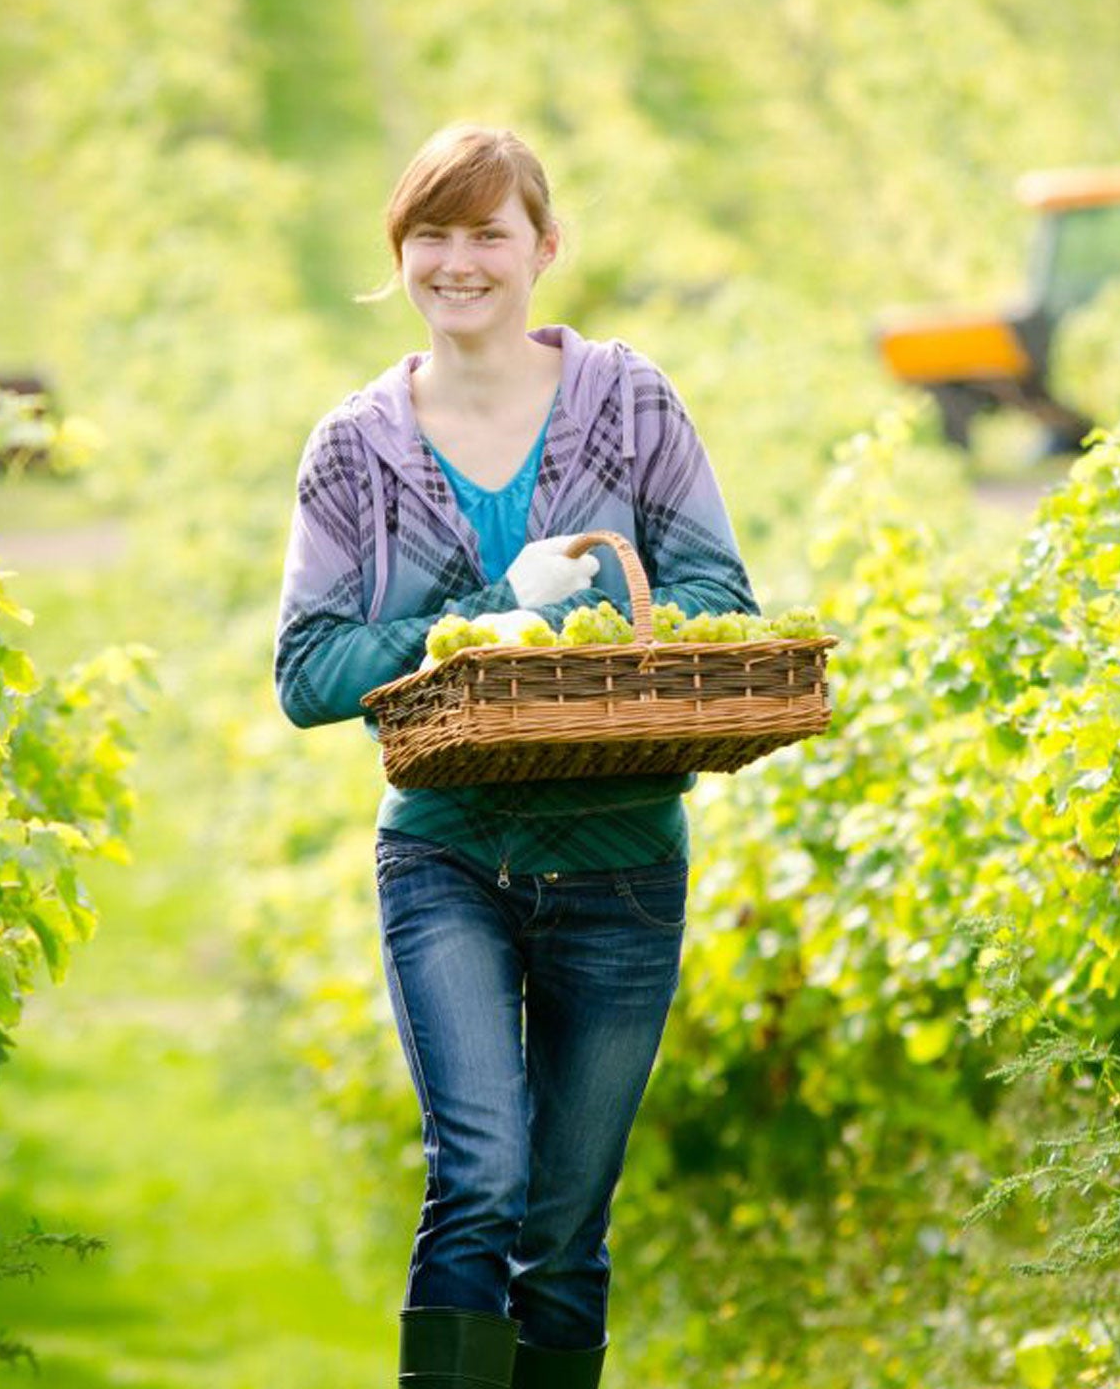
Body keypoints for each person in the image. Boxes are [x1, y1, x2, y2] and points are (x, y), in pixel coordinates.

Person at [274, 125, 756, 1389]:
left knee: (562, 1233)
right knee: (480, 1179)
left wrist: (573, 618)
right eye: (431, 232)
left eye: (488, 231)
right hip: (447, 859)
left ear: (544, 249)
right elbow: (308, 670)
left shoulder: (630, 402)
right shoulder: (355, 448)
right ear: (400, 254)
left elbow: (714, 588)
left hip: (622, 865)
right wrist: (487, 615)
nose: (458, 260)